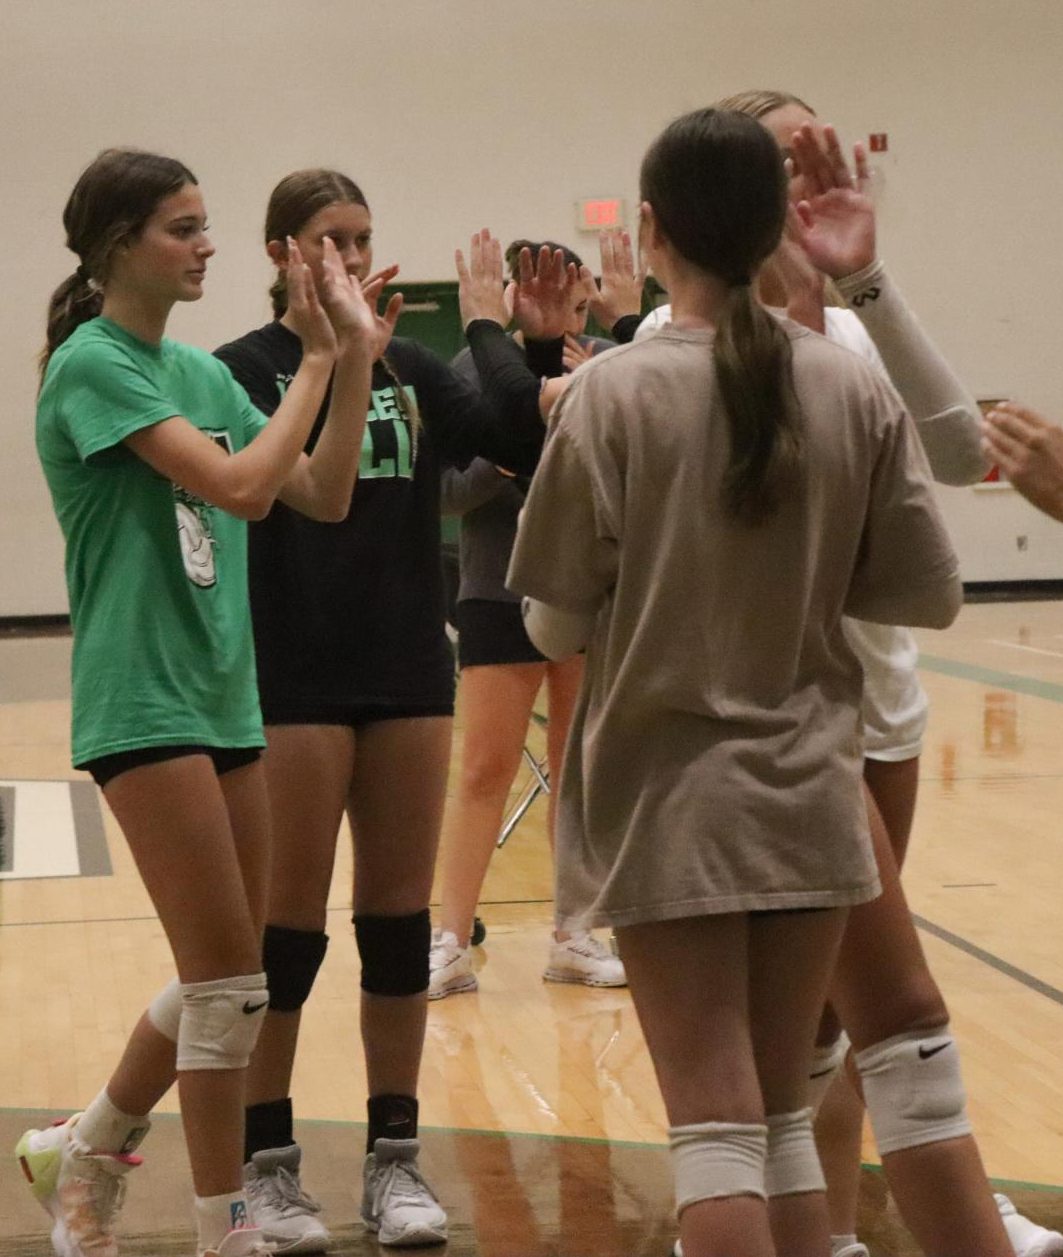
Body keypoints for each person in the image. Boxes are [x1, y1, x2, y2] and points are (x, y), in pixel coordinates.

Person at [508, 106, 962, 1257]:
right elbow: (926, 595)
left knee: (713, 1133)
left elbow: (553, 616)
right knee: (778, 1123)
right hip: (813, 791)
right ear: (775, 228)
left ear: (649, 229)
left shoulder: (609, 395)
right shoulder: (847, 387)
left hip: (670, 803)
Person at [645, 94, 1057, 1257]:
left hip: (877, 715)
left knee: (824, 1023)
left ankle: (820, 1228)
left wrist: (864, 280)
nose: (803, 171)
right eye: (780, 154)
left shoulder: (854, 334)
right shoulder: (659, 348)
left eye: (816, 150)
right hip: (775, 733)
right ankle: (859, 1221)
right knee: (872, 1015)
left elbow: (961, 452)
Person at [20, 147, 376, 1257]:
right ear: (121, 243)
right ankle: (222, 1224)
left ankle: (85, 1143)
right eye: (183, 227)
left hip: (224, 695)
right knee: (227, 979)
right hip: (142, 696)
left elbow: (319, 491)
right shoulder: (92, 365)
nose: (207, 244)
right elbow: (234, 484)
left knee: (235, 976)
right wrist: (314, 364)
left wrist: (354, 358)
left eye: (207, 223)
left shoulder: (198, 375)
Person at [212, 172, 578, 1252]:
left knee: (393, 930)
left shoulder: (412, 368)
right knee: (283, 942)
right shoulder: (242, 369)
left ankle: (394, 1160)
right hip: (293, 674)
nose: (350, 256)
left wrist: (526, 337)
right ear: (284, 251)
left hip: (409, 665)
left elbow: (521, 431)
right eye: (330, 239)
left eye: (364, 238)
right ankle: (269, 1167)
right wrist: (340, 356)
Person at [430, 233, 639, 999]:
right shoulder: (469, 374)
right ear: (513, 297)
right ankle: (449, 938)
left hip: (584, 590)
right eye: (560, 298)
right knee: (484, 768)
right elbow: (446, 492)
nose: (574, 314)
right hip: (496, 589)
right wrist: (512, 451)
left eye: (584, 302)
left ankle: (573, 933)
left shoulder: (604, 368)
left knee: (577, 773)